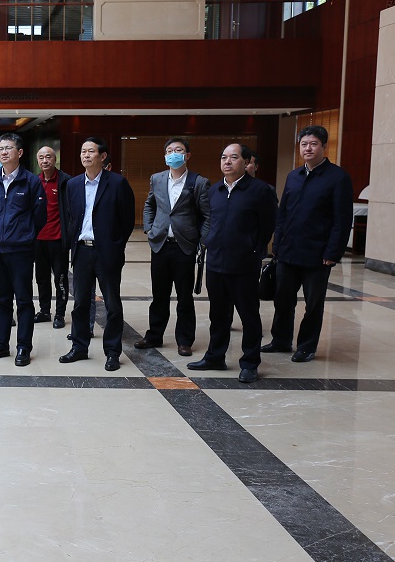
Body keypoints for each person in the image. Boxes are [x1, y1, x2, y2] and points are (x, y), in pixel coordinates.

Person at [262, 125, 354, 363]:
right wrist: (277, 246)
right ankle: (281, 340)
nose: (308, 148)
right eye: (304, 144)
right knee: (283, 300)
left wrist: (333, 252)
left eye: (313, 144)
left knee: (313, 304)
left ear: (324, 146)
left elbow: (342, 219)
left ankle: (306, 346)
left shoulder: (338, 177)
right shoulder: (294, 176)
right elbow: (283, 214)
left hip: (318, 254)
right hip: (288, 252)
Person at [188, 143, 277, 383]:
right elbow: (207, 219)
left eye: (234, 157)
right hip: (216, 262)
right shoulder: (215, 190)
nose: (227, 161)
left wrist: (255, 250)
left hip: (244, 264)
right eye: (224, 157)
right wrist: (208, 240)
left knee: (249, 315)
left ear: (246, 162)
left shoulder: (260, 190)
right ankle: (215, 356)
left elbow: (268, 225)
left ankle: (250, 363)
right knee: (218, 315)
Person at [59, 139, 135, 372]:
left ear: (102, 157)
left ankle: (112, 352)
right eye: (83, 151)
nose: (86, 155)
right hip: (82, 250)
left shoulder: (117, 183)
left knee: (112, 303)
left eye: (91, 151)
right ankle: (79, 347)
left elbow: (127, 220)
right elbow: (70, 217)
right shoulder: (73, 184)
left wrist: (115, 245)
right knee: (80, 302)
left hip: (107, 252)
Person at [135, 139, 211, 357]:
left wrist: (202, 240)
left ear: (187, 155)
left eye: (178, 150)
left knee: (184, 297)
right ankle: (154, 335)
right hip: (160, 244)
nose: (173, 154)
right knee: (159, 295)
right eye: (169, 151)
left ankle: (184, 340)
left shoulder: (198, 182)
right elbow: (150, 205)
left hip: (184, 246)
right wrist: (149, 228)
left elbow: (207, 215)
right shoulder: (157, 179)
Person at [0, 134, 46, 366]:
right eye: (0, 148)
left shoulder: (31, 181)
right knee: (2, 299)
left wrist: (24, 234)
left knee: (24, 300)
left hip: (21, 251)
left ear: (19, 152)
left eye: (8, 148)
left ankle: (23, 347)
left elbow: (39, 216)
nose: (3, 152)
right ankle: (1, 344)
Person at [34, 145, 72, 330]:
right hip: (38, 240)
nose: (45, 160)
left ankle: (60, 314)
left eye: (48, 157)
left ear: (55, 159)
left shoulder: (66, 182)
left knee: (60, 279)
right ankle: (44, 311)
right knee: (41, 278)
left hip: (58, 239)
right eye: (41, 157)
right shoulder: (34, 181)